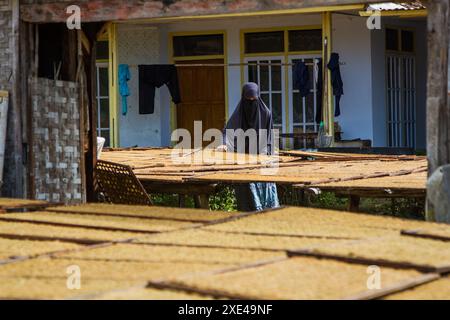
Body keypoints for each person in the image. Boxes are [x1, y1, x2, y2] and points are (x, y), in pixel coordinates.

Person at [217, 82, 280, 212]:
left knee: (265, 196)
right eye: (248, 100)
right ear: (243, 99)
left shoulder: (266, 113)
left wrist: (266, 155)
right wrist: (223, 144)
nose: (251, 103)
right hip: (242, 161)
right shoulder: (239, 113)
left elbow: (270, 137)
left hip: (261, 160)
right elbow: (227, 131)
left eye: (254, 100)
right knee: (245, 195)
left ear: (258, 98)